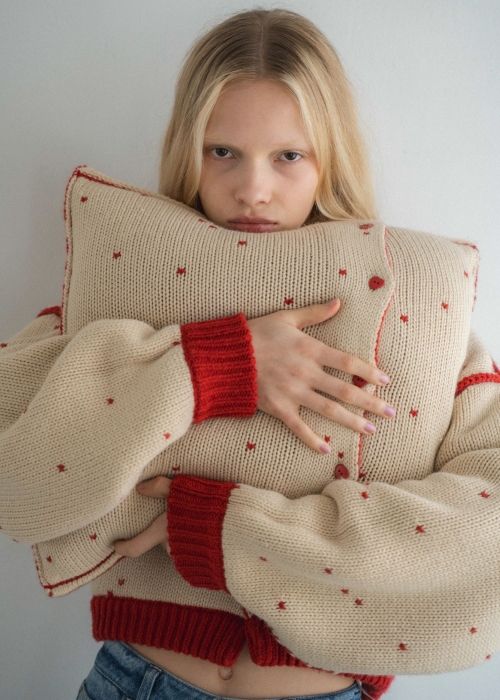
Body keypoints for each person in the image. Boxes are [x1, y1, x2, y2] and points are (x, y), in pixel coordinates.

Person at [1, 7, 498, 700]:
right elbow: (18, 482)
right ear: (187, 148)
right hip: (133, 681)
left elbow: (486, 539)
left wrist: (218, 529)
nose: (253, 189)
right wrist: (216, 363)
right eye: (222, 151)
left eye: (288, 155)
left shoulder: (422, 321)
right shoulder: (111, 291)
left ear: (331, 154)